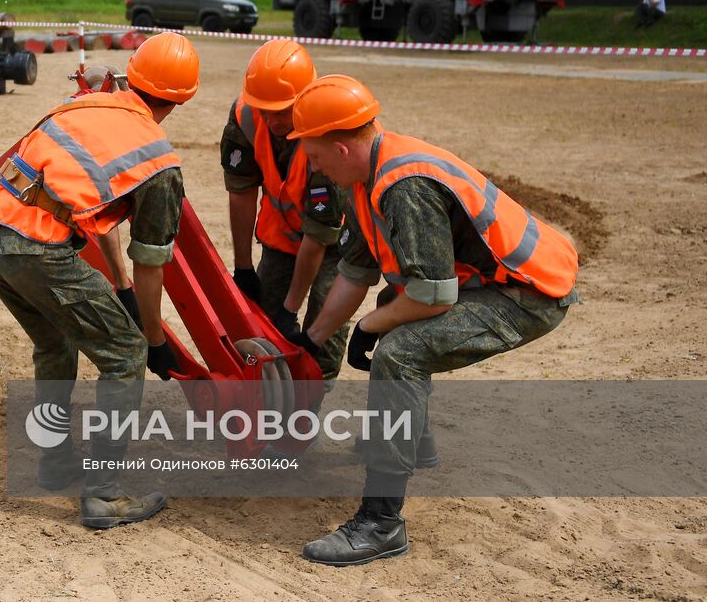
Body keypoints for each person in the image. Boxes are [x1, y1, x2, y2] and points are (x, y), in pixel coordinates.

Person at [282, 75, 579, 566]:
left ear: (340, 148)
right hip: (499, 281)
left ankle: (381, 523)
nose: (313, 168)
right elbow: (355, 274)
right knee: (390, 312)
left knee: (400, 354)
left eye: (314, 157)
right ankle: (415, 445)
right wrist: (312, 340)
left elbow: (432, 296)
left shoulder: (404, 186)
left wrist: (369, 328)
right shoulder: (364, 179)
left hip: (530, 293)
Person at [0, 32, 199, 530]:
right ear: (182, 99)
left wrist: (119, 295)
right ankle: (104, 496)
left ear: (131, 75)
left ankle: (55, 464)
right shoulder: (159, 161)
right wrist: (152, 339)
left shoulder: (84, 107)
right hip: (36, 249)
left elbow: (94, 216)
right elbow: (151, 263)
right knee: (125, 356)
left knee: (54, 343)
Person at [220, 40, 348, 381]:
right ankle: (262, 405)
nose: (272, 120)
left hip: (335, 243)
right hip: (281, 236)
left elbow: (318, 236)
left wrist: (291, 309)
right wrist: (243, 267)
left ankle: (309, 411)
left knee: (323, 331)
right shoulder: (246, 116)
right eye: (265, 109)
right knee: (260, 320)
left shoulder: (326, 136)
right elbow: (241, 191)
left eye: (282, 110)